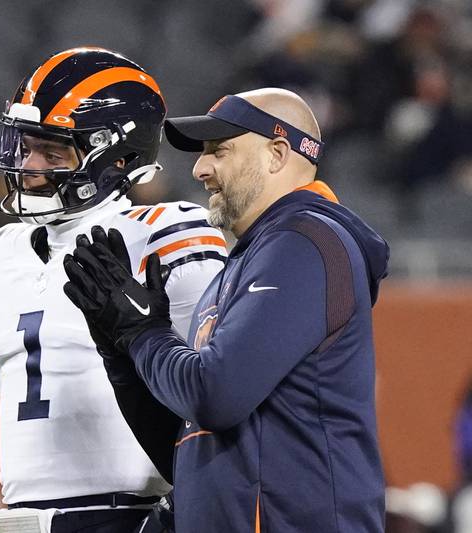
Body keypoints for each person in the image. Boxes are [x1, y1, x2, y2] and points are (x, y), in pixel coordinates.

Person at [63, 88, 389, 532]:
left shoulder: (306, 241)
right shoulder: (241, 267)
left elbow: (214, 396)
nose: (200, 169)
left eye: (219, 150)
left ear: (277, 154)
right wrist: (120, 350)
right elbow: (188, 447)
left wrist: (144, 333)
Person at [0, 47, 227, 531]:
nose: (28, 166)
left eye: (52, 151)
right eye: (24, 146)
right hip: (19, 517)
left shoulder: (166, 232)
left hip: (128, 513)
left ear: (118, 158)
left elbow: (213, 387)